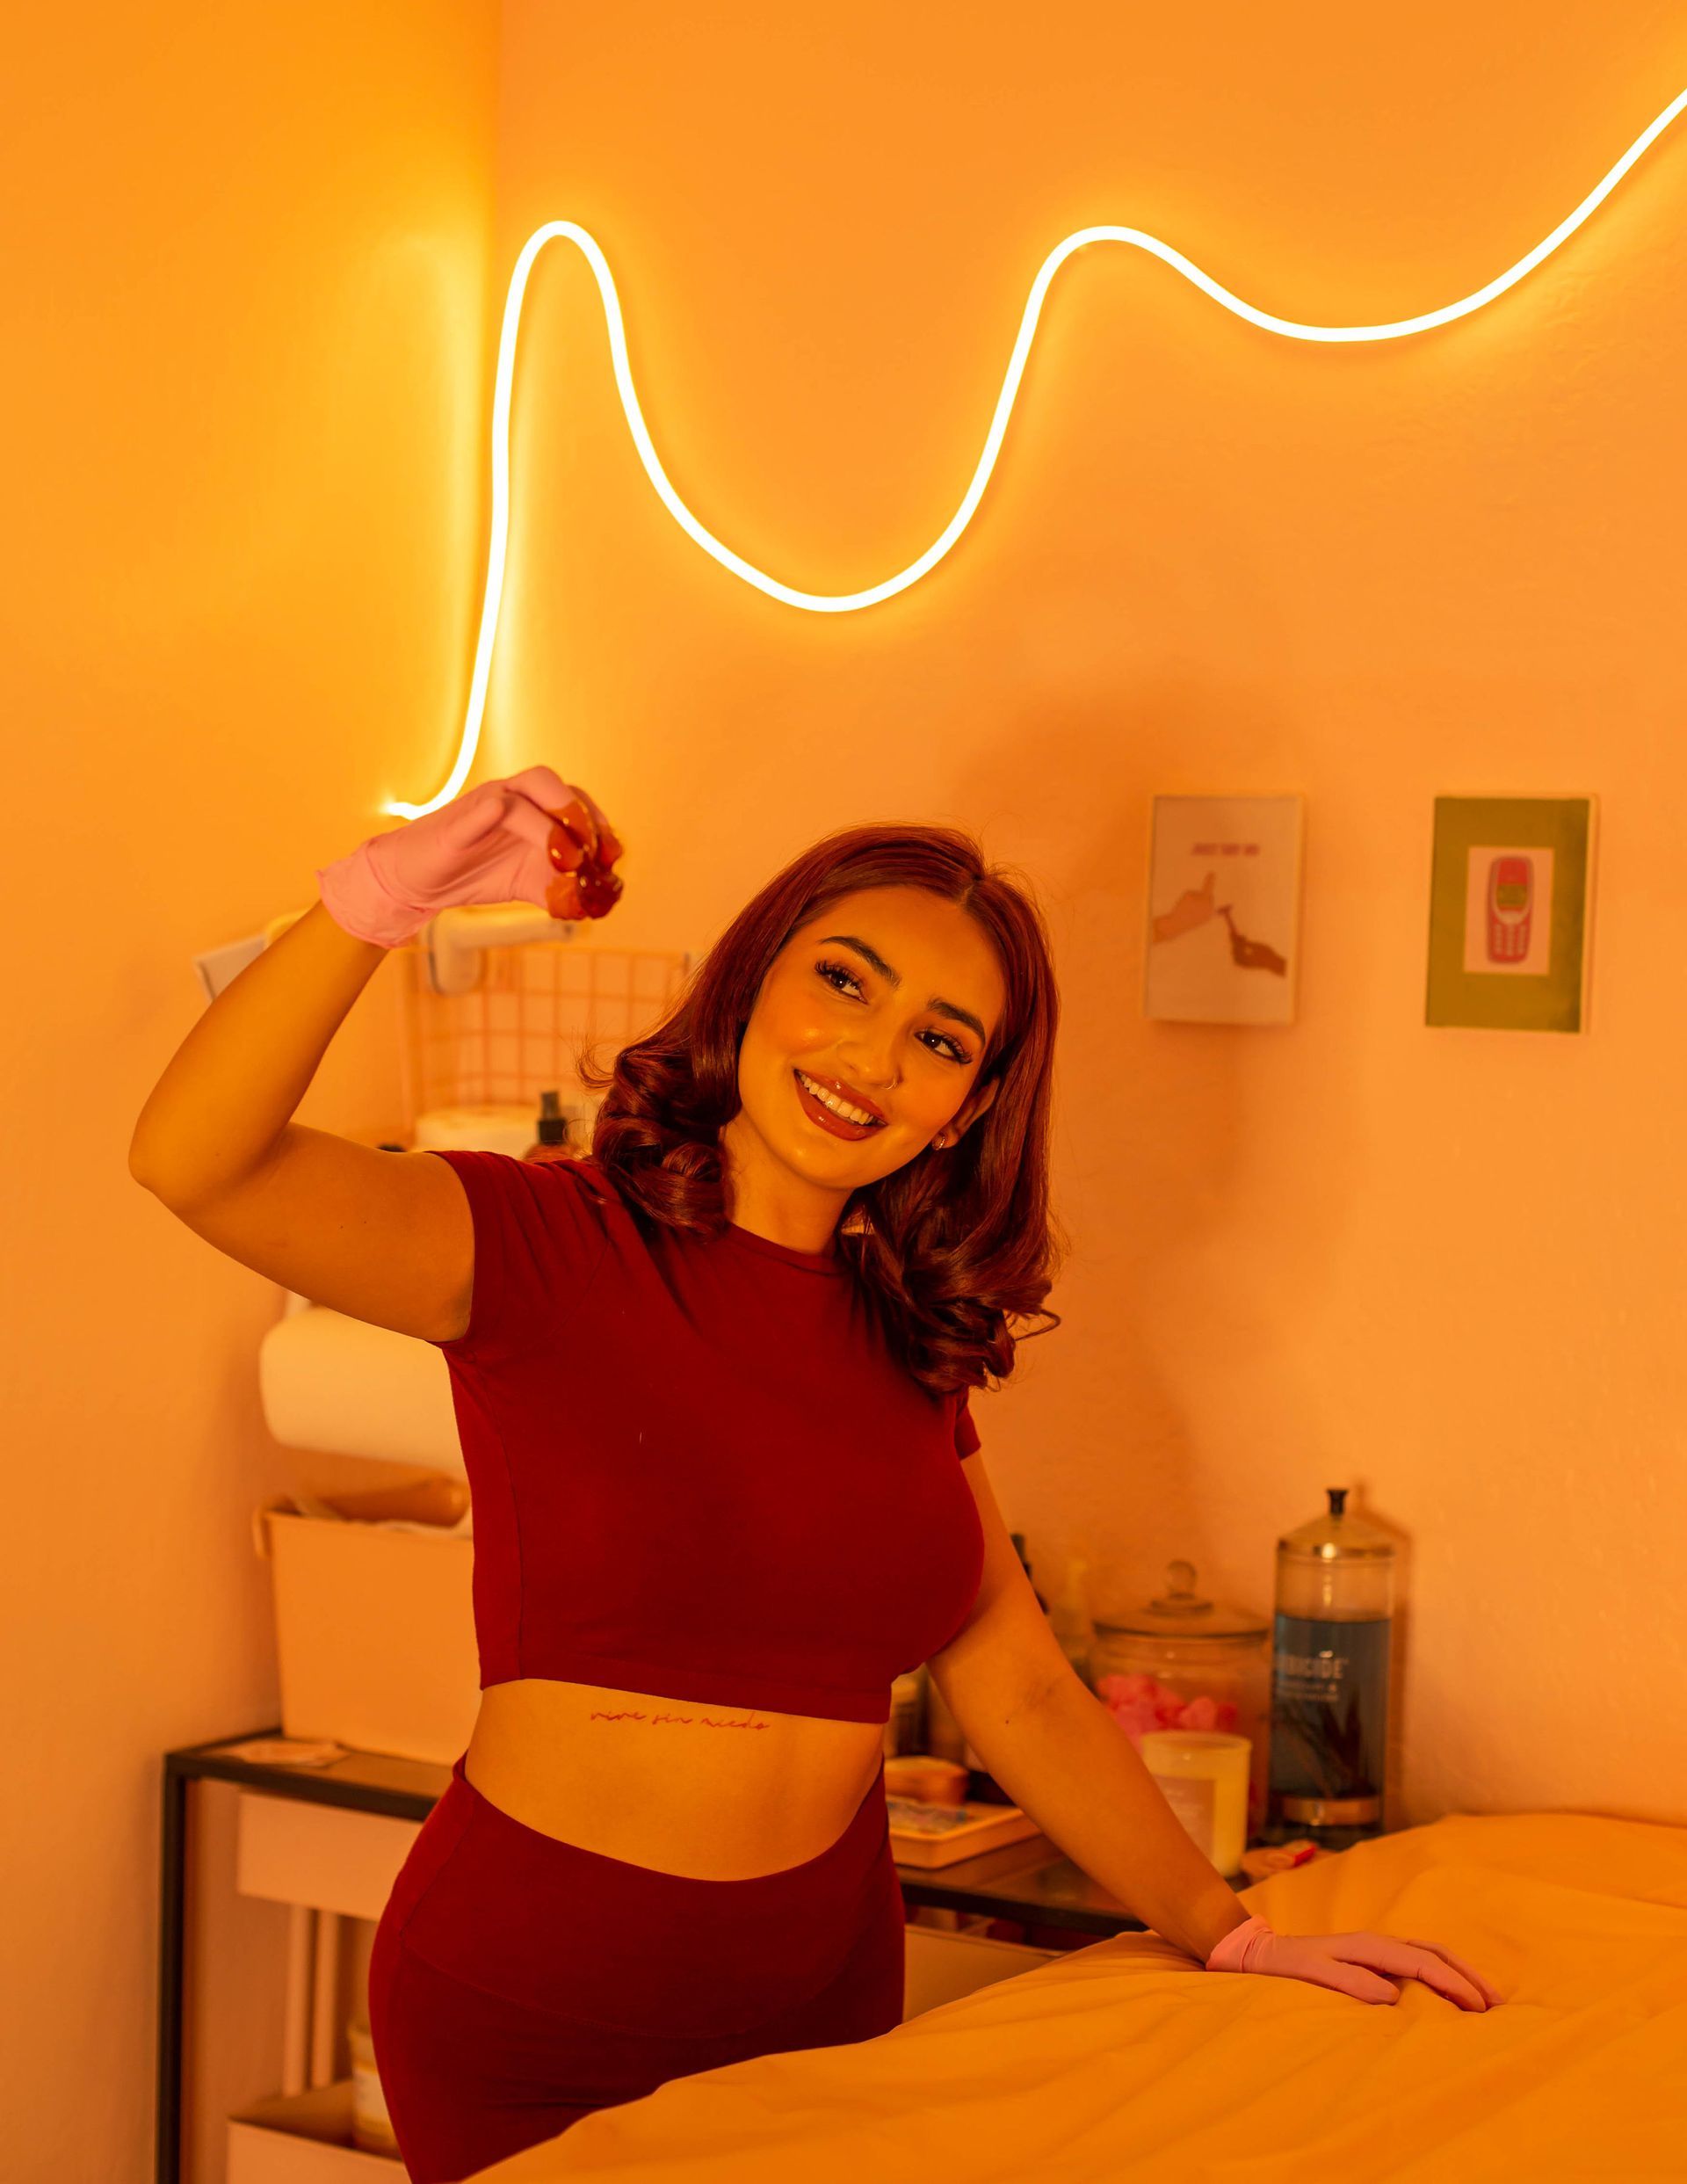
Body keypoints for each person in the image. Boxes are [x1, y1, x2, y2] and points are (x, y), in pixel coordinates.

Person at [129, 767, 1502, 2182]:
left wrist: (1236, 1931)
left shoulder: (916, 1337)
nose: (870, 1055)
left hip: (822, 2003)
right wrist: (381, 898)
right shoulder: (544, 1243)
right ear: (752, 982)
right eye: (844, 981)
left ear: (965, 1109)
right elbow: (194, 1160)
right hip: (537, 2013)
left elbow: (1017, 1681)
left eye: (938, 1037)